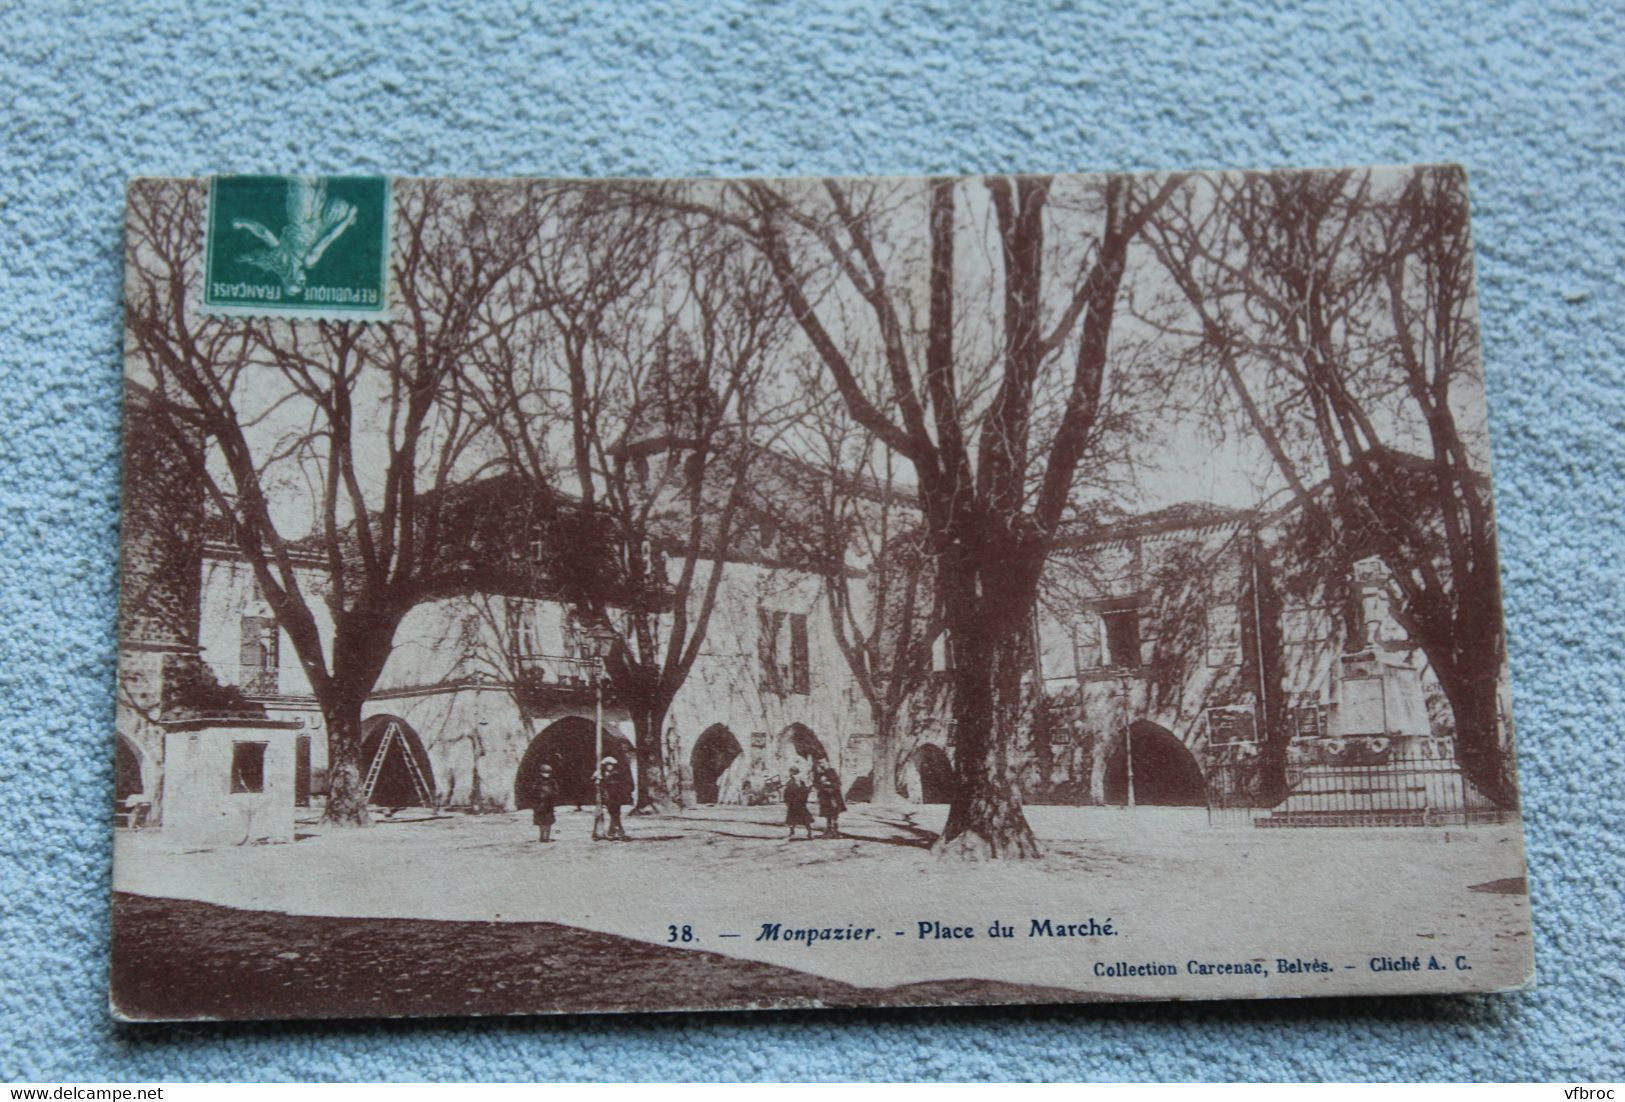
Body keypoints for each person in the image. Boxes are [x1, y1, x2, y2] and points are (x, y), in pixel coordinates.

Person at [597, 756, 633, 841]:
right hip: (608, 796)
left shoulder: (616, 774)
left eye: (611, 765)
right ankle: (614, 833)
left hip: (616, 796)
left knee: (615, 814)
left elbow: (619, 784)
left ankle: (616, 833)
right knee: (614, 814)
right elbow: (600, 785)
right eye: (607, 765)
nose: (609, 766)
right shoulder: (603, 774)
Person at [814, 760, 846, 838]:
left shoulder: (832, 772)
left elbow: (838, 783)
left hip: (833, 796)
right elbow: (815, 784)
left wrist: (830, 783)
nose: (821, 764)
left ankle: (835, 831)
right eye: (819, 763)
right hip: (825, 797)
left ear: (827, 763)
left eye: (823, 762)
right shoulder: (819, 774)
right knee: (827, 814)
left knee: (834, 814)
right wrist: (820, 785)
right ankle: (828, 831)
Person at [782, 765, 814, 841]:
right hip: (792, 804)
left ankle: (809, 833)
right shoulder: (790, 781)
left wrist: (803, 799)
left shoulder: (800, 781)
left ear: (794, 772)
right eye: (790, 771)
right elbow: (786, 792)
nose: (790, 773)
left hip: (799, 803)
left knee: (805, 819)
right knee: (791, 819)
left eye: (791, 771)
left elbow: (805, 791)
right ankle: (791, 832)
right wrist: (787, 801)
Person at [532, 763, 559, 843]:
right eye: (545, 772)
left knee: (548, 821)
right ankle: (542, 837)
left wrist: (553, 798)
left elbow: (556, 791)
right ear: (541, 772)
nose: (547, 775)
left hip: (549, 804)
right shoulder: (538, 781)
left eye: (548, 773)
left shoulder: (552, 781)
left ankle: (547, 837)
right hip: (540, 804)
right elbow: (533, 791)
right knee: (541, 821)